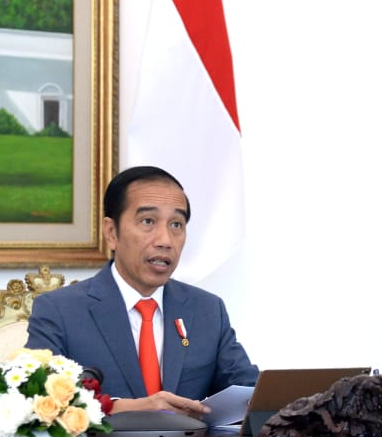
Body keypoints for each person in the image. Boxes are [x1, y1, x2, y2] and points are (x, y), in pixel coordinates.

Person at [26, 165, 258, 415]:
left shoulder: (207, 310)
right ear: (111, 232)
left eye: (176, 225)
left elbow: (248, 391)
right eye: (148, 221)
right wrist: (128, 409)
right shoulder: (60, 311)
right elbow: (35, 401)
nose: (165, 240)